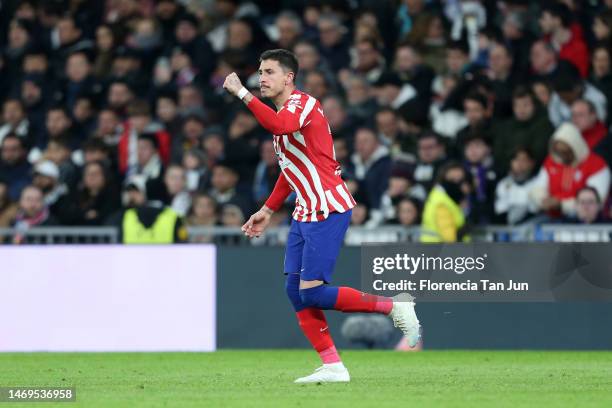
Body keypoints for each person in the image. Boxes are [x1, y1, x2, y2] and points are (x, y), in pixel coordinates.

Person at [223, 49, 419, 384]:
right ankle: (332, 365)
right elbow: (290, 171)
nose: (261, 79)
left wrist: (242, 93)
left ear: (289, 78)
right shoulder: (284, 115)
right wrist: (268, 209)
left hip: (328, 206)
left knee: (312, 292)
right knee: (294, 290)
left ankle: (394, 307)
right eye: (259, 72)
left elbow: (277, 123)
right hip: (305, 210)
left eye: (269, 72)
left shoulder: (303, 105)